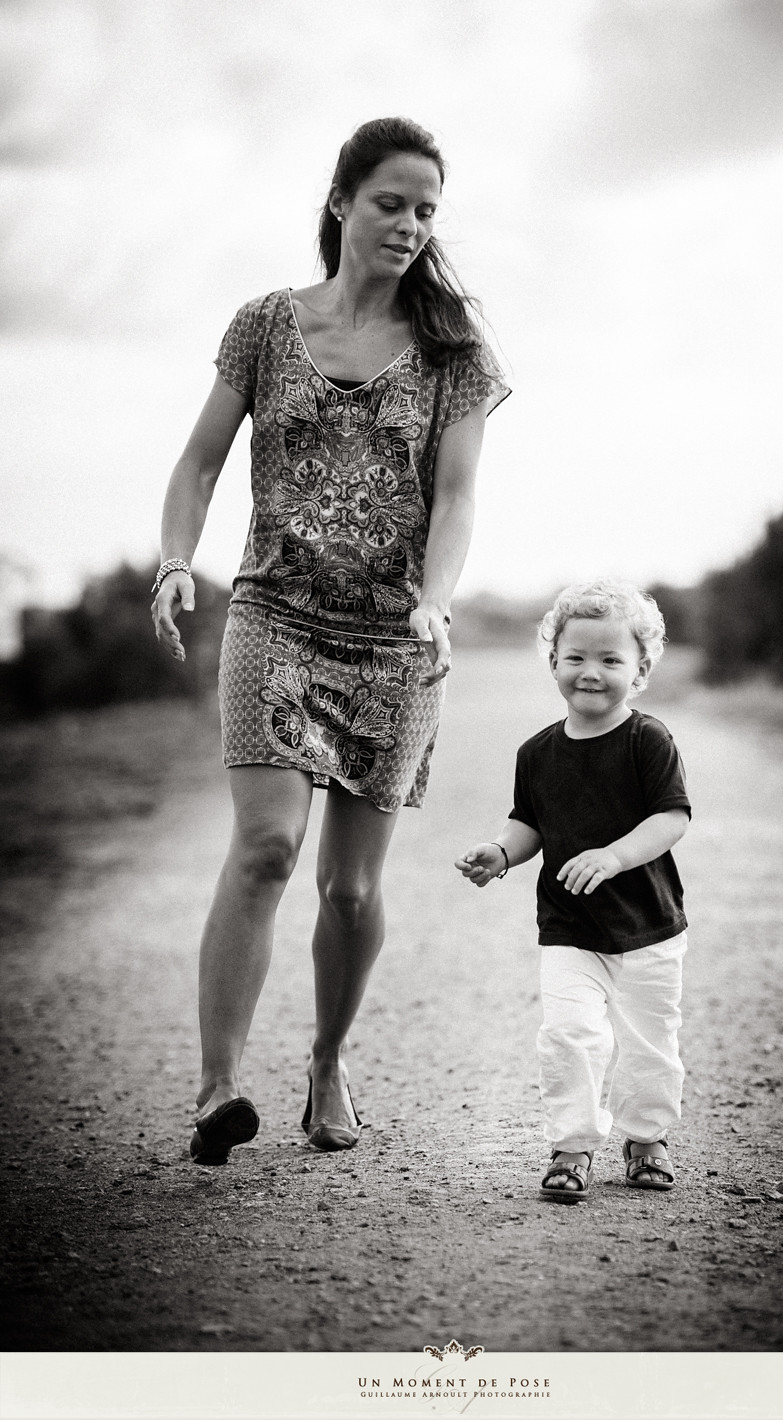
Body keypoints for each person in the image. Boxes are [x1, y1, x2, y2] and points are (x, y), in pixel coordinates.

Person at [151, 117, 509, 1165]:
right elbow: (199, 464)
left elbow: (456, 497)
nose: (409, 224)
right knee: (267, 847)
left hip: (395, 643)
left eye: (427, 209)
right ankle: (219, 1086)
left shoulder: (455, 354)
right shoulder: (266, 325)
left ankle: (327, 1060)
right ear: (343, 200)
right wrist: (177, 559)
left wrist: (436, 603)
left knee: (350, 889)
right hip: (274, 616)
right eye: (392, 201)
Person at [455, 579, 690, 1200]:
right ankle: (573, 1146)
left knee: (649, 1041)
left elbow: (672, 818)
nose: (591, 672)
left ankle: (646, 1138)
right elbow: (529, 821)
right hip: (568, 928)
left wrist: (615, 856)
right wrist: (502, 852)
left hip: (648, 927)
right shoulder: (536, 754)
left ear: (639, 672)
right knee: (568, 1036)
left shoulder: (648, 741)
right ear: (553, 661)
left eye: (611, 660)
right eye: (576, 657)